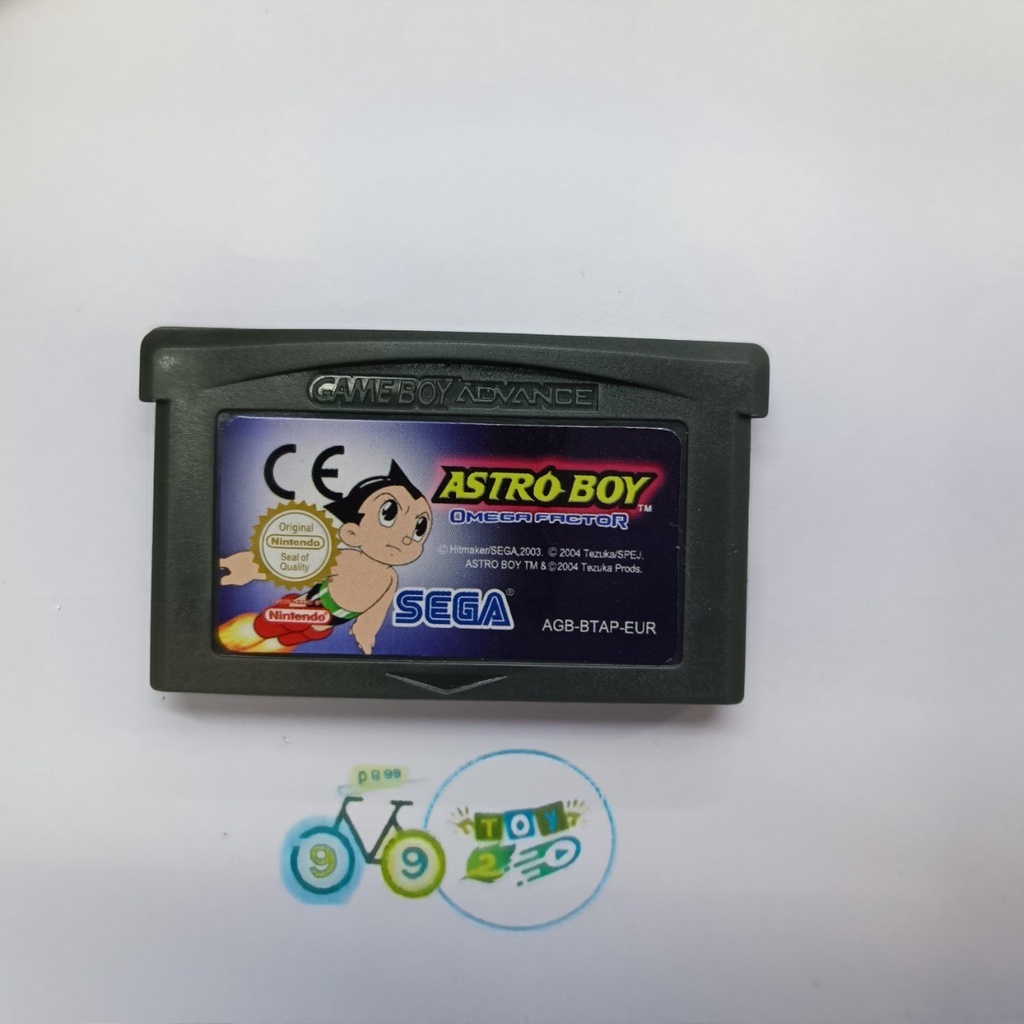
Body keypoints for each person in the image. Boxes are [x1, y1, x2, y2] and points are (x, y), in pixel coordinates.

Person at [219, 461, 432, 655]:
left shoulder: (391, 578)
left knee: (290, 640)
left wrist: (366, 631)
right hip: (307, 607)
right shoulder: (347, 558)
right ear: (352, 532)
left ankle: (257, 650)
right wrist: (250, 566)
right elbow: (298, 565)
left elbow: (378, 609)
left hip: (326, 624)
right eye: (388, 514)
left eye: (419, 528)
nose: (406, 538)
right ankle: (237, 640)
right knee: (265, 628)